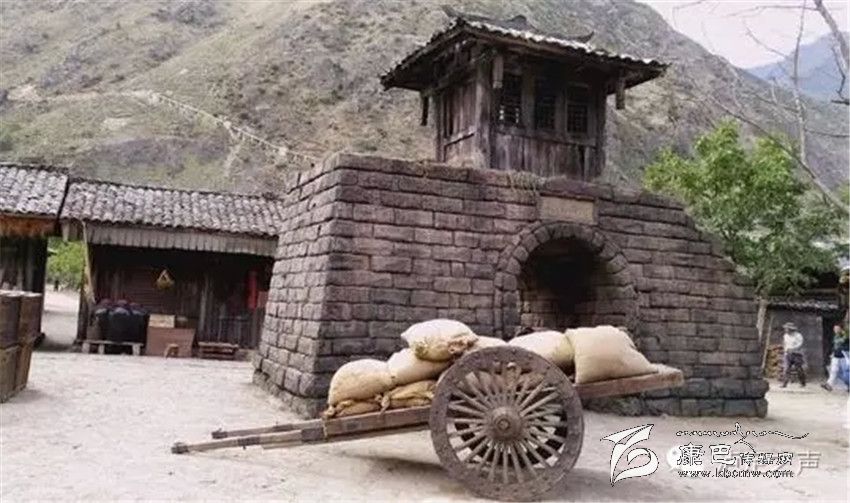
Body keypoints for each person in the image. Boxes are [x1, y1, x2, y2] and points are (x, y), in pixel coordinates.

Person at [821, 324, 849, 392]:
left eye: (837, 329)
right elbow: (834, 346)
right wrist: (832, 353)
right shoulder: (836, 336)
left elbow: (844, 344)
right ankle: (829, 385)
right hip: (836, 356)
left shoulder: (846, 336)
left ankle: (848, 386)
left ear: (841, 329)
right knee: (833, 370)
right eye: (835, 329)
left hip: (844, 356)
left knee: (846, 373)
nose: (835, 330)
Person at [780, 322, 806, 388]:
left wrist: (793, 349)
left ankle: (802, 382)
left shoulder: (798, 336)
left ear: (791, 329)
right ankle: (784, 383)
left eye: (787, 329)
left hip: (797, 354)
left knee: (798, 369)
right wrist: (785, 350)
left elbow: (800, 344)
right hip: (788, 354)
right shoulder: (785, 336)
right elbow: (785, 344)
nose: (786, 330)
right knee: (786, 368)